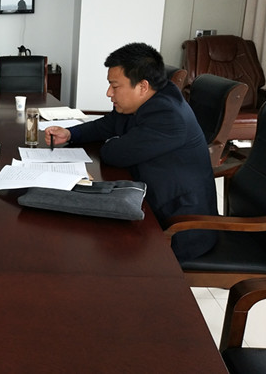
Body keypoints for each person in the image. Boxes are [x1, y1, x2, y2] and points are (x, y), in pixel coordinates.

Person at [44, 42, 218, 262]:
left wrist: (115, 141)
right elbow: (110, 124)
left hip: (178, 227)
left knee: (92, 249)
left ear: (142, 86)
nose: (109, 93)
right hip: (149, 200)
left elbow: (114, 154)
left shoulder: (168, 115)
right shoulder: (152, 97)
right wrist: (70, 134)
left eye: (114, 86)